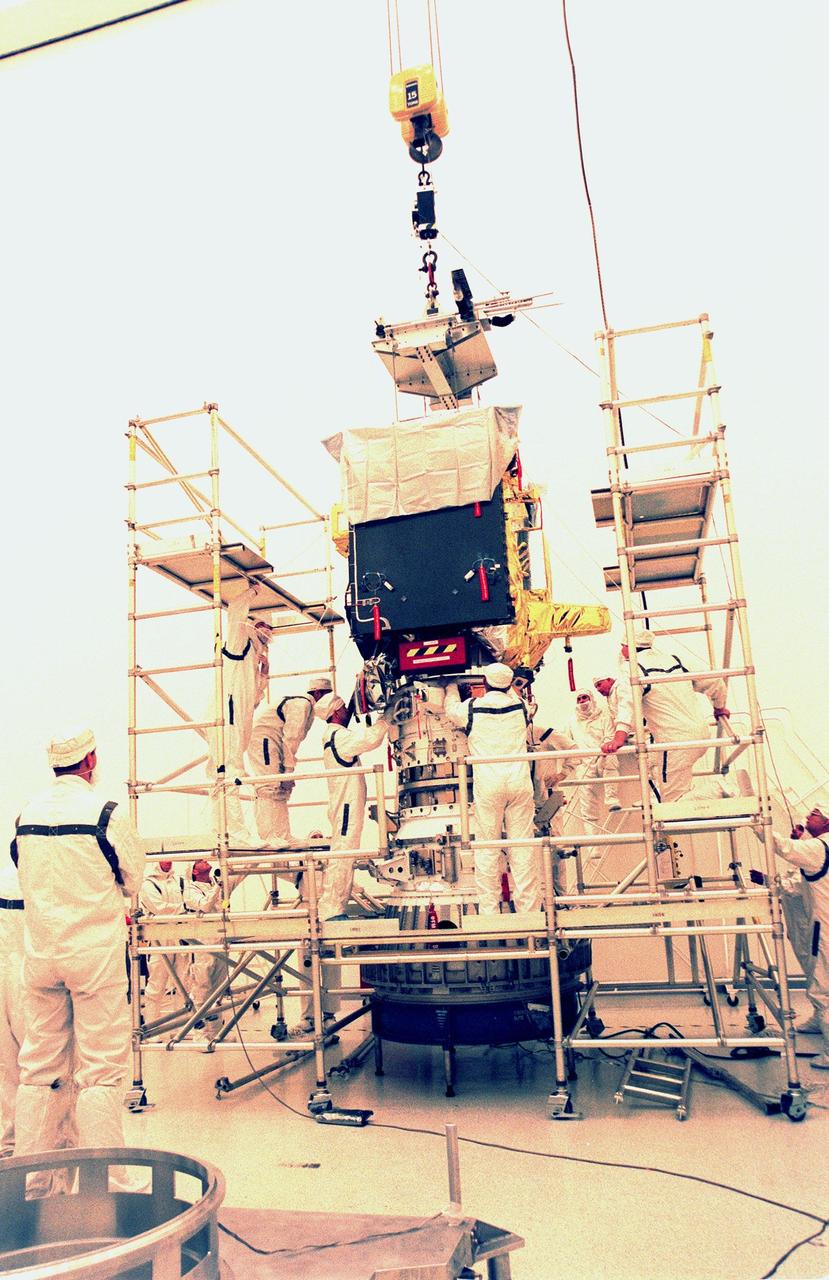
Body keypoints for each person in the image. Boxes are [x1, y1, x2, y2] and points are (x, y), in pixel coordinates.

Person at [10, 726, 145, 1164]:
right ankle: (108, 1177)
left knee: (37, 1070)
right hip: (93, 958)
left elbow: (24, 869)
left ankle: (32, 1181)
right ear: (90, 761)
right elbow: (132, 881)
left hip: (41, 956)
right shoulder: (106, 814)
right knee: (101, 1071)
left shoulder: (25, 815)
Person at [443, 663, 539, 914]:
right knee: (523, 848)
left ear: (484, 683)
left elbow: (451, 710)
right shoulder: (521, 707)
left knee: (487, 848)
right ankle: (529, 912)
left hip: (489, 784)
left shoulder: (472, 708)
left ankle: (489, 912)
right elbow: (518, 698)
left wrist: (451, 686)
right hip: (519, 783)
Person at [622, 628, 730, 803]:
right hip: (700, 735)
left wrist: (620, 733)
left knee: (672, 803)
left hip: (674, 742)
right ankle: (712, 792)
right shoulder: (675, 660)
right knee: (674, 788)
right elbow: (714, 681)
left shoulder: (631, 668)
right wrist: (719, 707)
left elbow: (626, 703)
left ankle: (717, 788)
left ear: (628, 647)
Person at [205, 582, 273, 843]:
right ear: (254, 625)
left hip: (239, 719)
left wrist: (263, 675)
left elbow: (253, 698)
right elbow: (235, 609)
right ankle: (235, 833)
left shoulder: (255, 656)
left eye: (270, 628)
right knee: (228, 771)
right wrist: (253, 590)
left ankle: (224, 830)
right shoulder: (239, 642)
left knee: (227, 771)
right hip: (227, 718)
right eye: (263, 626)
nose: (267, 632)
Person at [312, 694, 389, 922]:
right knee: (343, 855)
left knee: (344, 854)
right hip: (346, 807)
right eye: (344, 707)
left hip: (345, 805)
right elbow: (370, 739)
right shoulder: (338, 736)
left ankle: (334, 906)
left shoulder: (333, 736)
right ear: (336, 712)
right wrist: (387, 718)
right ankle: (331, 909)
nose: (348, 710)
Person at [770, 807, 829, 1068]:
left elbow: (783, 848)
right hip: (820, 923)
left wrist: (757, 825)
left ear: (826, 821)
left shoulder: (818, 848)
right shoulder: (819, 847)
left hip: (825, 928)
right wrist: (800, 840)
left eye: (814, 813)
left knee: (823, 987)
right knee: (818, 975)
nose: (807, 816)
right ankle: (819, 1020)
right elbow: (799, 879)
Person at [247, 676, 333, 843]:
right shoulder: (302, 704)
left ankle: (283, 835)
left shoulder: (307, 708)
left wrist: (287, 773)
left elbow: (292, 741)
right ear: (318, 693)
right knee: (268, 786)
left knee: (280, 789)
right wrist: (288, 772)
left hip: (275, 743)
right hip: (264, 740)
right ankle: (268, 836)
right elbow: (292, 739)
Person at [563, 688, 621, 848]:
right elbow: (566, 741)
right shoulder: (572, 722)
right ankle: (593, 846)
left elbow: (610, 736)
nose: (583, 702)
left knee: (611, 760)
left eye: (585, 698)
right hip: (583, 763)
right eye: (579, 699)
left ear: (592, 699)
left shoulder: (604, 717)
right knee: (587, 803)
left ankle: (611, 798)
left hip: (602, 756)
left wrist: (602, 751)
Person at [138, 859, 185, 1024]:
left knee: (183, 983)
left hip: (180, 934)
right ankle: (152, 1025)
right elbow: (159, 908)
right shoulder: (148, 884)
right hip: (160, 937)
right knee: (157, 983)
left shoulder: (178, 881)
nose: (168, 862)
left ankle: (180, 1026)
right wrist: (183, 908)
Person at [0, 861, 25, 1157]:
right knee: (38, 1066)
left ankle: (10, 1143)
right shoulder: (40, 883)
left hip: (19, 973)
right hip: (29, 977)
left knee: (8, 1067)